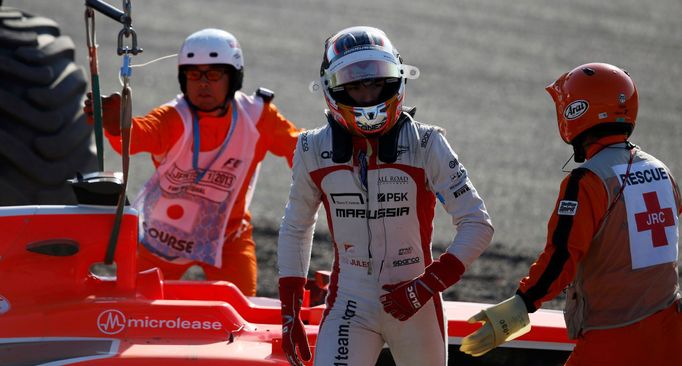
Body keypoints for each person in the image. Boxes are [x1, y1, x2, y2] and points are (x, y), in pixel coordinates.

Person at [277, 26, 494, 366]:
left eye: (376, 81)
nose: (367, 95)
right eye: (355, 84)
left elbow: (477, 223)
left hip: (417, 304)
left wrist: (427, 285)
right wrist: (289, 314)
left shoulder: (428, 143)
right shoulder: (310, 148)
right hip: (350, 302)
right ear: (332, 88)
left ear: (396, 79)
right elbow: (295, 228)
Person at [461, 63, 681, 365]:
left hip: (613, 338)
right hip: (671, 331)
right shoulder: (662, 171)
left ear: (577, 112)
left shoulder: (588, 181)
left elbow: (562, 256)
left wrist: (523, 303)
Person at [84, 28, 301, 296]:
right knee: (134, 306)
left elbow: (301, 150)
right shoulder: (173, 118)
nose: (203, 84)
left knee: (243, 313)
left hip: (227, 240)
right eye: (193, 74)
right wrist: (118, 125)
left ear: (233, 78)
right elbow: (139, 135)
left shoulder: (258, 117)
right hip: (163, 240)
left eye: (213, 74)